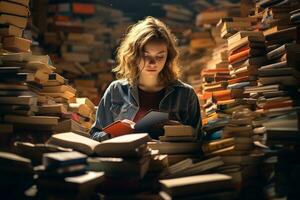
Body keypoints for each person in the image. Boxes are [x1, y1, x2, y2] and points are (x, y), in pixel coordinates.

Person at [90, 16, 202, 141]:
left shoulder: (186, 94)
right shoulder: (116, 90)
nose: (152, 63)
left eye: (160, 56)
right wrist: (111, 135)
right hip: (128, 158)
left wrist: (182, 131)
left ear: (168, 57)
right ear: (134, 55)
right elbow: (95, 134)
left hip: (173, 159)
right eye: (145, 55)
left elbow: (199, 141)